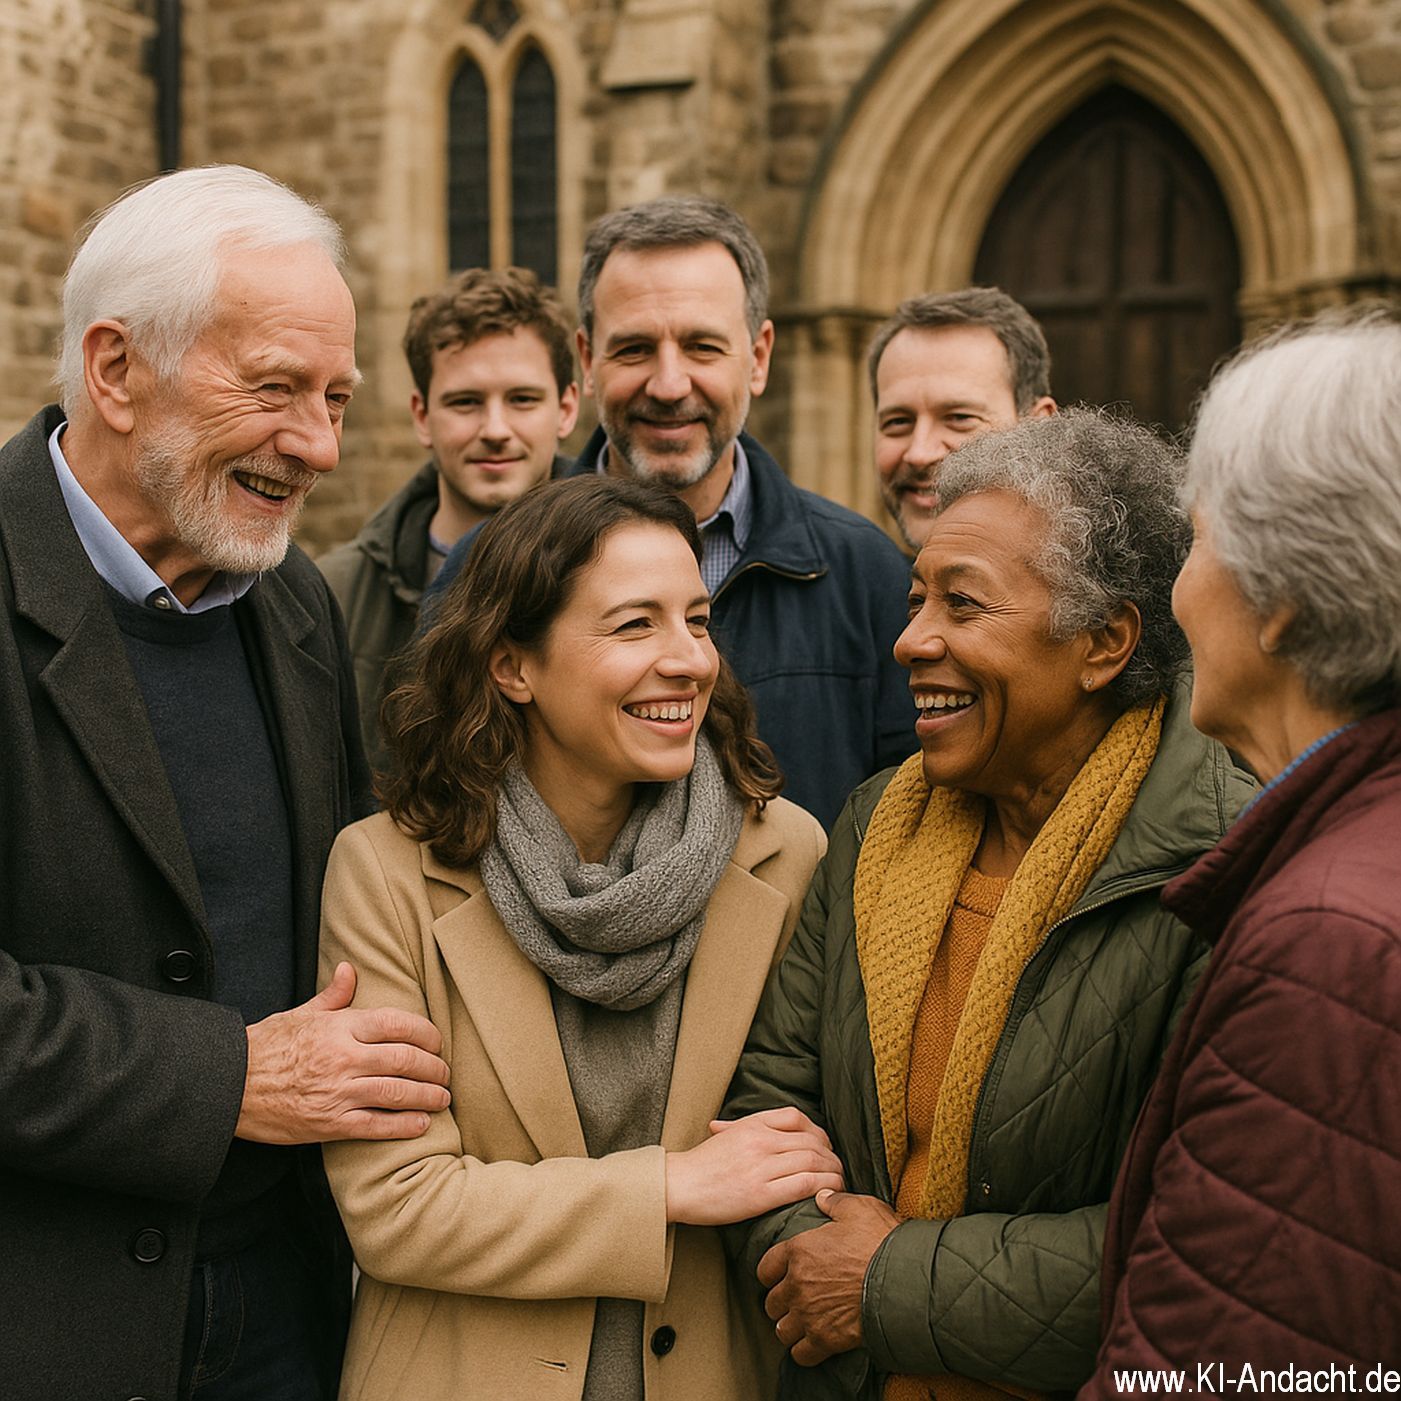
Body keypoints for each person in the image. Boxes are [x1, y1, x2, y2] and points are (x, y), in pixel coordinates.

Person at [0, 165, 452, 1401]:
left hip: (287, 1317)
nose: (315, 446)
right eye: (275, 391)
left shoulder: (293, 605)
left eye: (337, 399)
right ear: (114, 368)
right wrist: (232, 1078)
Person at [724, 409, 1255, 1399]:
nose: (908, 641)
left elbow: (1204, 1245)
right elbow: (769, 1105)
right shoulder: (873, 824)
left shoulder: (1218, 868)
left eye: (963, 607)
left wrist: (886, 1284)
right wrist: (811, 1259)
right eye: (916, 597)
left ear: (1103, 643)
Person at [320, 474, 839, 1400]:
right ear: (511, 665)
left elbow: (806, 1150)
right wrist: (670, 1188)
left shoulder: (786, 854)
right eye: (634, 625)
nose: (686, 659)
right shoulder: (387, 872)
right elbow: (397, 1207)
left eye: (697, 620)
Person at [1082, 310, 1401, 1384]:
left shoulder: (1328, 943)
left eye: (1203, 540)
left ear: (1285, 599)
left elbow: (1230, 1361)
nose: (1179, 587)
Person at [427, 196, 914, 829]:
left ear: (759, 356)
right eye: (632, 350)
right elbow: (438, 802)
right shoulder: (485, 569)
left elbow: (912, 829)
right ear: (587, 360)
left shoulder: (861, 573)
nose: (668, 384)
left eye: (702, 347)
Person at [318, 266, 579, 770]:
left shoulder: (630, 573)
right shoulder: (337, 594)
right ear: (422, 416)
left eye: (522, 400)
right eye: (466, 403)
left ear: (566, 409)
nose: (496, 429)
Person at [868, 287, 1057, 551]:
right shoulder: (851, 585)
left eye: (959, 418)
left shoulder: (1099, 588)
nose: (919, 454)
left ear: (1038, 426)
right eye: (899, 422)